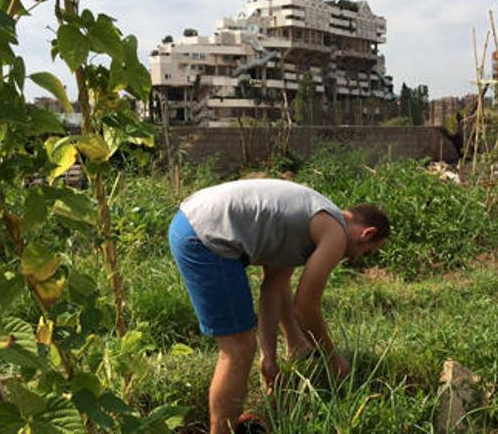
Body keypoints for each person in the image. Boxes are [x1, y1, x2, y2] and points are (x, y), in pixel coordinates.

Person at [167, 178, 389, 434]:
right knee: (238, 349)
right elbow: (305, 308)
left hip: (194, 221)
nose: (358, 258)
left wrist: (269, 358)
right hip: (204, 235)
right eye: (368, 252)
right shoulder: (335, 233)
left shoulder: (307, 221)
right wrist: (332, 357)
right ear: (367, 234)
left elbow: (274, 288)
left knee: (244, 347)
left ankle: (231, 422)